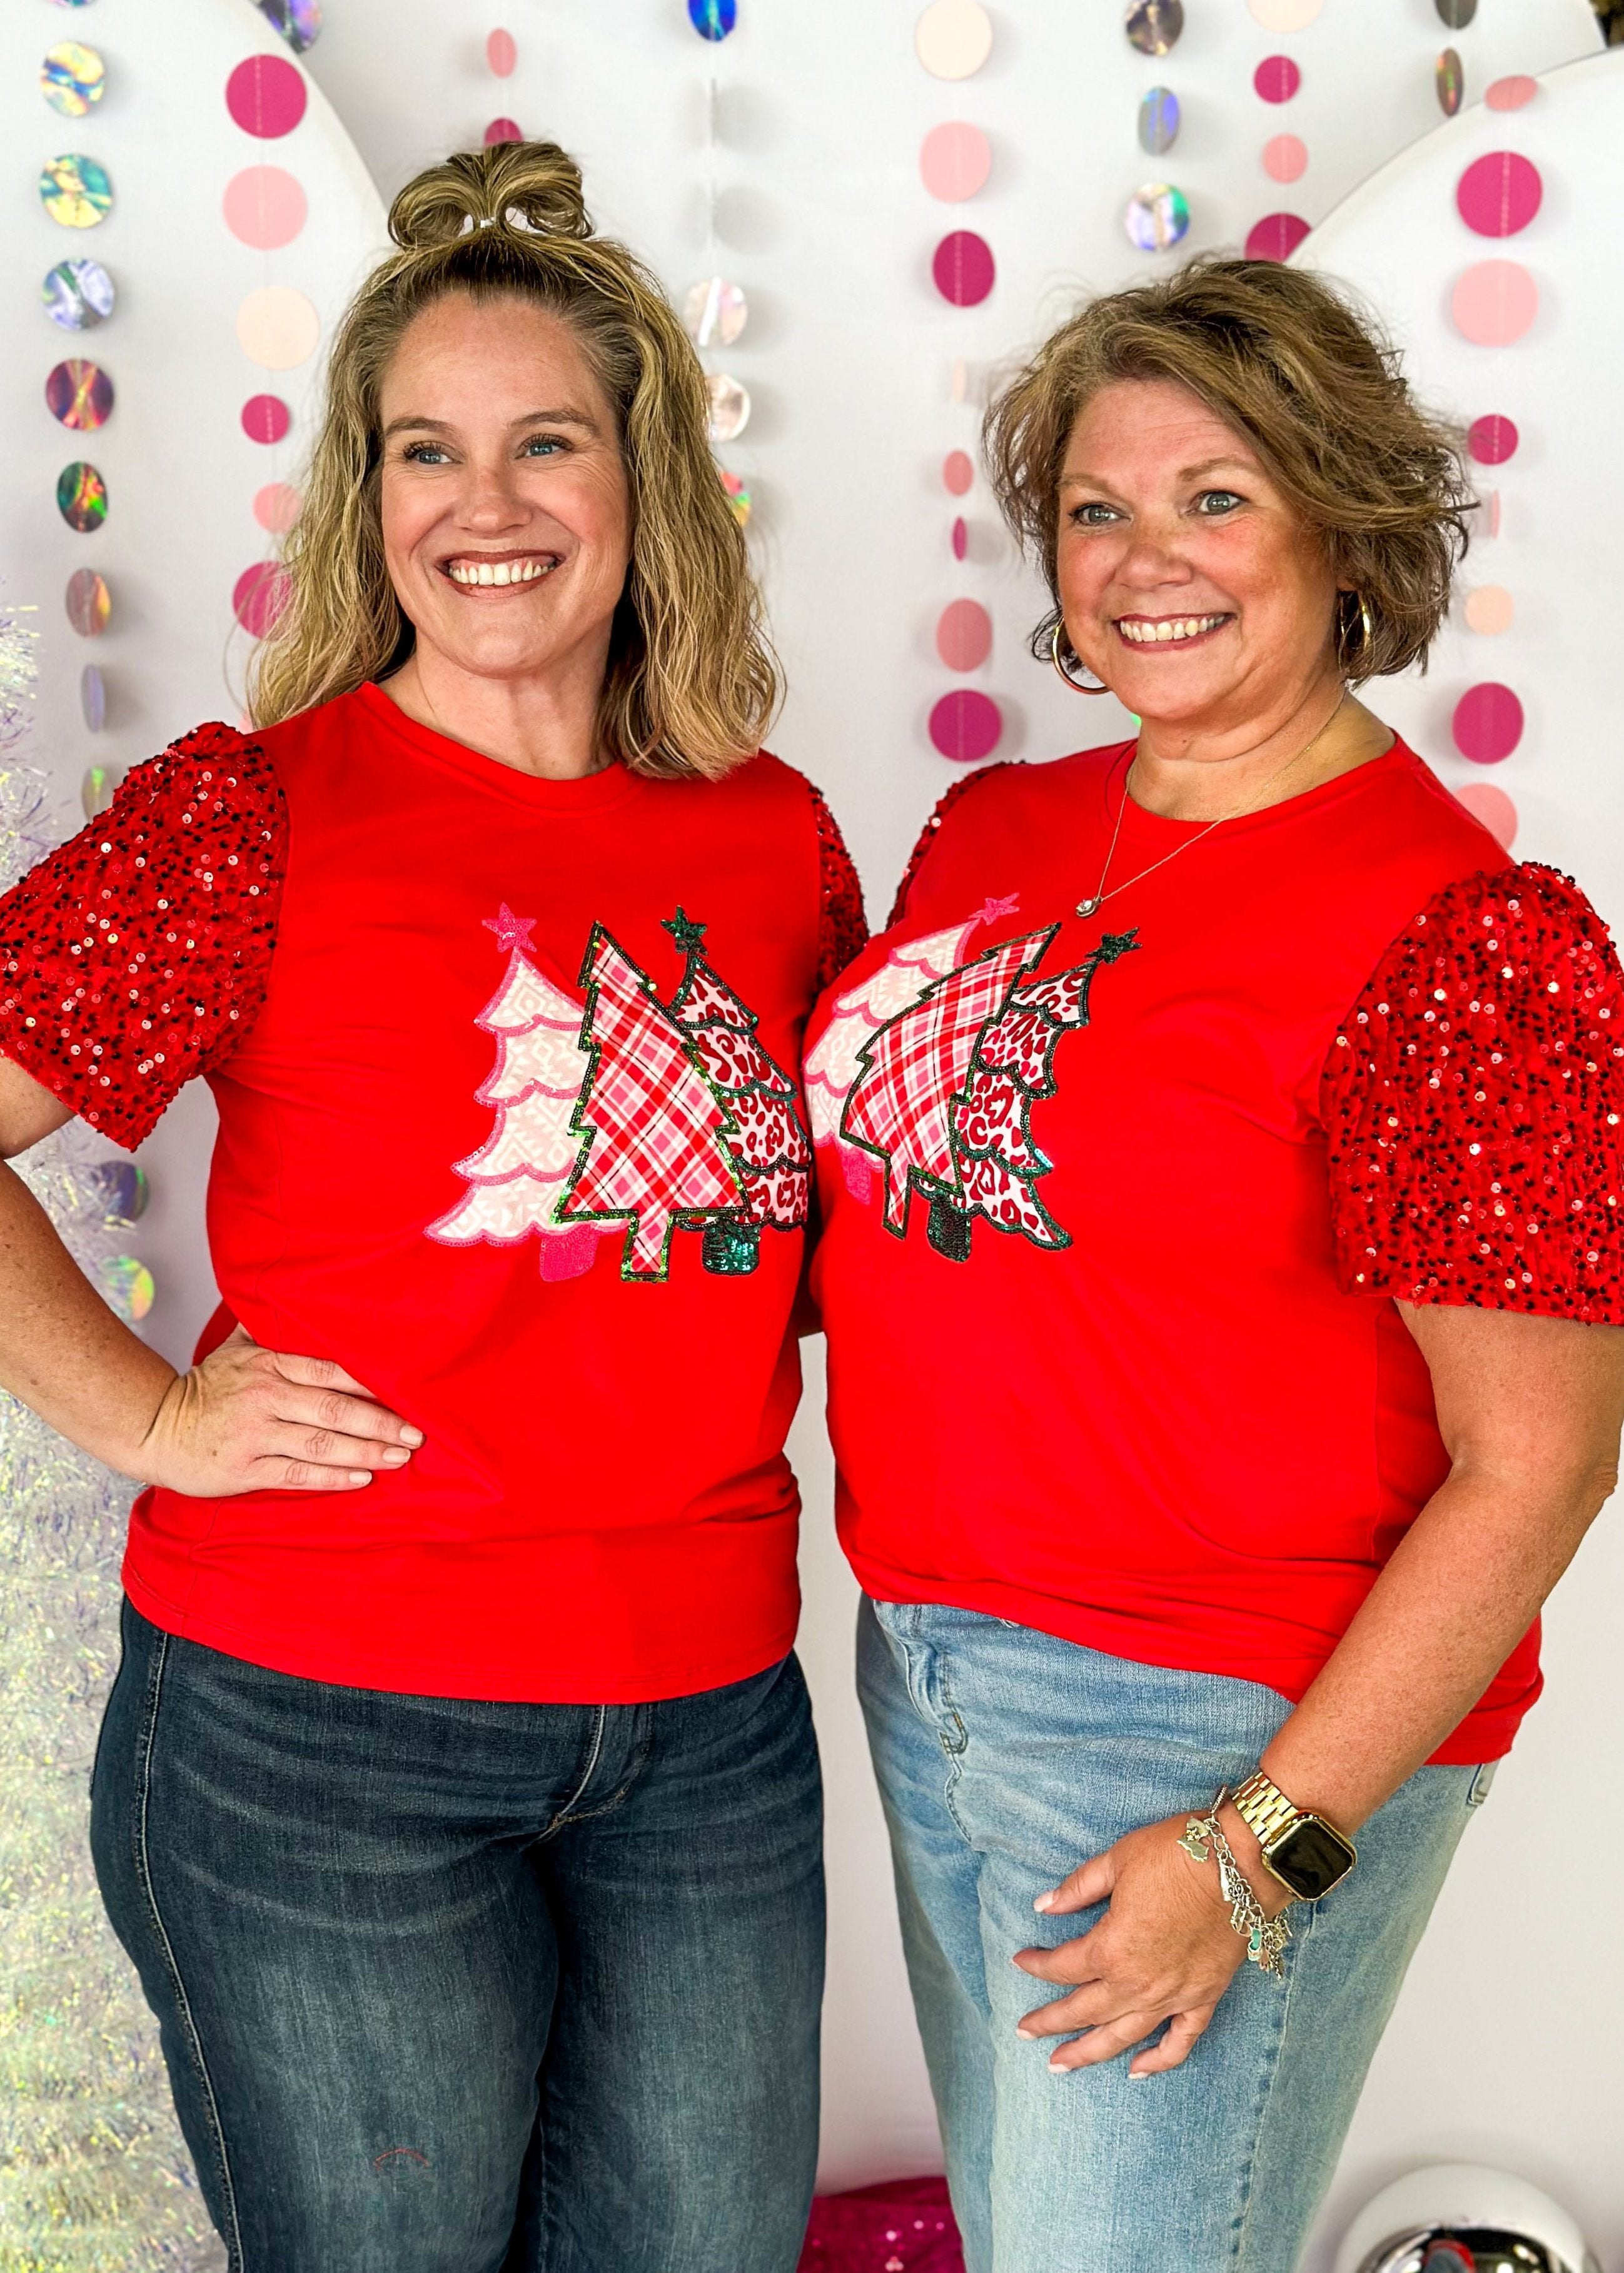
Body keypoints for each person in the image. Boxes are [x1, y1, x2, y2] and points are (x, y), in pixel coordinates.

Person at [0, 141, 864, 2273]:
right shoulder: (251, 815)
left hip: (709, 1724)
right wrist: (141, 1414)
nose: (486, 508)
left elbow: (825, 1242)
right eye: (426, 450)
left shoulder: (771, 838)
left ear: (643, 477)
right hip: (319, 1725)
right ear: (366, 500)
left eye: (546, 441)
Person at [804, 256, 1624, 2273]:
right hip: (930, 1669)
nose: (1144, 557)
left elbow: (1540, 1464)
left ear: (1343, 527)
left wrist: (1258, 1850)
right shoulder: (997, 826)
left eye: (1218, 496)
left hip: (1211, 1734)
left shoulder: (1465, 939)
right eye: (1097, 507)